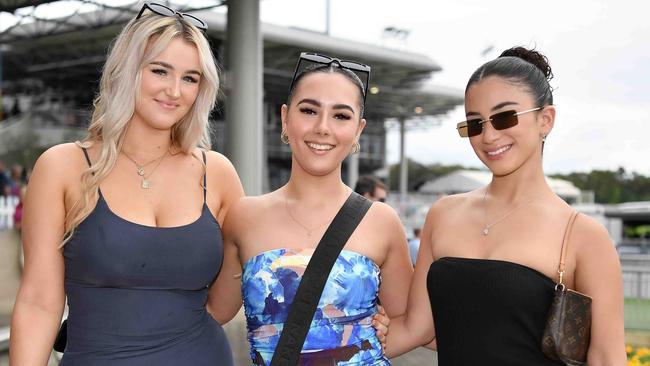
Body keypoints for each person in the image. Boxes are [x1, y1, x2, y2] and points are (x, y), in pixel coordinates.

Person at [10, 3, 244, 365]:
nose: (174, 90)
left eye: (190, 78)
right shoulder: (63, 167)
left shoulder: (218, 173)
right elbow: (39, 301)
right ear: (127, 71)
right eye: (160, 70)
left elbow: (225, 303)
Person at [384, 47, 626, 364]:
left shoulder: (583, 235)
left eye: (504, 117)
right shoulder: (444, 213)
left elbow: (607, 357)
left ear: (546, 119)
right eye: (474, 124)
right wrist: (324, 345)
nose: (488, 135)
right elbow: (416, 328)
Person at [208, 53, 411, 365]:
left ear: (358, 130)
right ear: (286, 118)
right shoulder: (244, 216)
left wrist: (376, 337)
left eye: (341, 116)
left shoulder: (382, 221)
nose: (322, 127)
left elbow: (411, 323)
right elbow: (210, 314)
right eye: (309, 110)